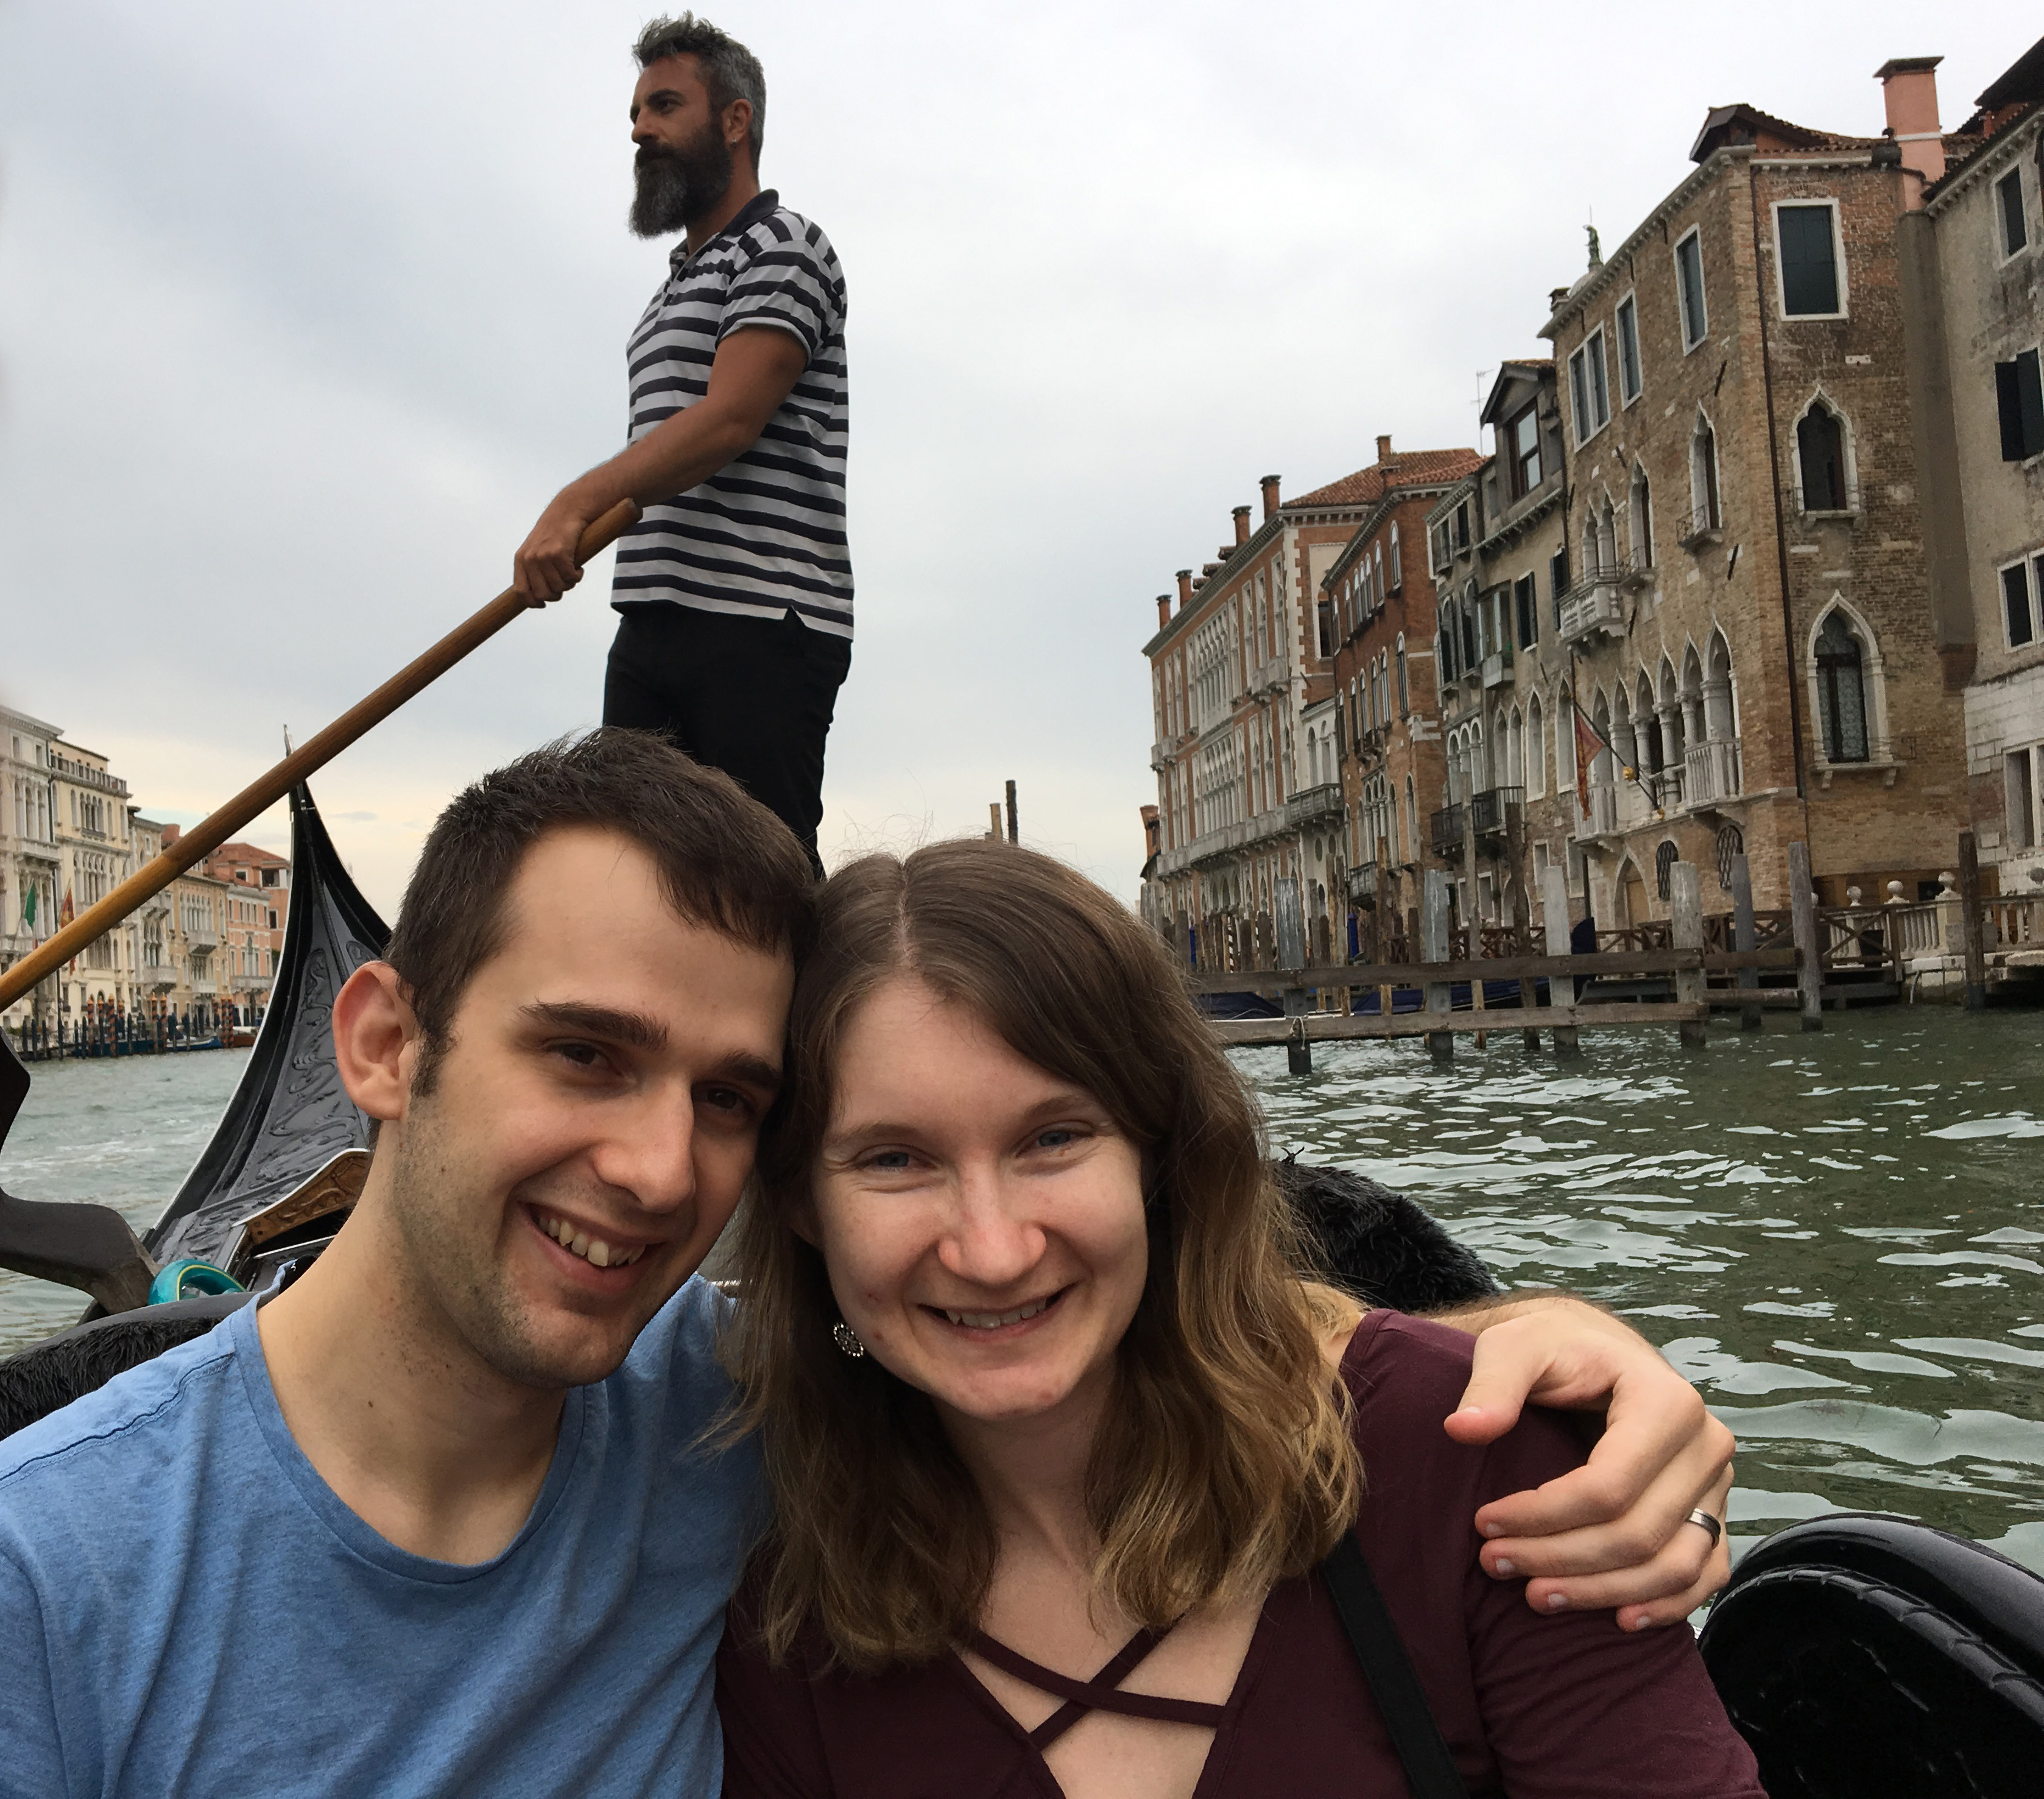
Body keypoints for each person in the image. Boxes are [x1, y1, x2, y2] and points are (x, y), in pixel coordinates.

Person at [0, 735, 1725, 1797]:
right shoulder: (45, 1574)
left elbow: (1108, 1318)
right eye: (584, 1054)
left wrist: (1555, 1343)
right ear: (378, 1039)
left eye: (730, 1098)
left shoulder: (748, 1404)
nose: (660, 1171)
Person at [713, 838, 1761, 1797]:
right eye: (895, 1159)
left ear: (1158, 1157)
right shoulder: (785, 1637)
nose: (993, 1249)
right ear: (804, 1203)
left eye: (1054, 1138)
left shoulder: (1465, 1462)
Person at [514, 15, 851, 873]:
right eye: (636, 112)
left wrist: (572, 503)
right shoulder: (670, 291)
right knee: (639, 877)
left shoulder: (786, 246)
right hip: (653, 618)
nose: (639, 130)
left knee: (760, 884)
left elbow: (728, 421)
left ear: (735, 121)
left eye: (664, 105)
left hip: (763, 621)